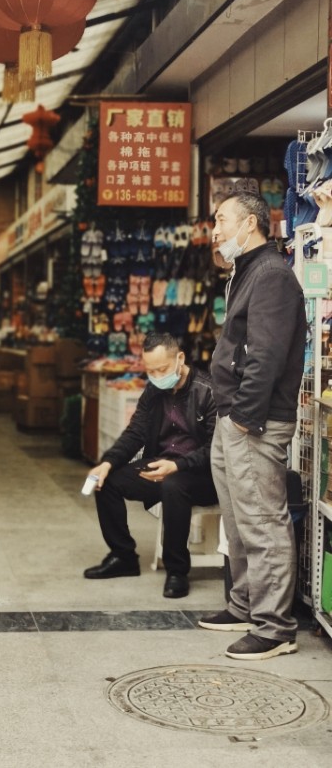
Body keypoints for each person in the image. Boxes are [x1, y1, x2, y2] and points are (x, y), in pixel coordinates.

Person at [199, 190, 306, 660]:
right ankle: (244, 604)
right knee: (239, 520)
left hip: (254, 422)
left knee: (262, 521)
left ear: (251, 224)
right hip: (234, 417)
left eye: (222, 220)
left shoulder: (271, 276)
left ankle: (275, 627)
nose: (215, 230)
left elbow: (266, 353)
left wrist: (244, 416)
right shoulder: (246, 272)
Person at [83, 332, 218, 598]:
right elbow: (136, 433)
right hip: (161, 465)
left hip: (202, 475)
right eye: (151, 371)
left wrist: (178, 466)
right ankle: (123, 557)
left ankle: (177, 570)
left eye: (163, 369)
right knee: (106, 482)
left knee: (173, 485)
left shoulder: (208, 391)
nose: (157, 376)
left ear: (180, 358)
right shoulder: (155, 390)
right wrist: (107, 462)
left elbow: (217, 449)